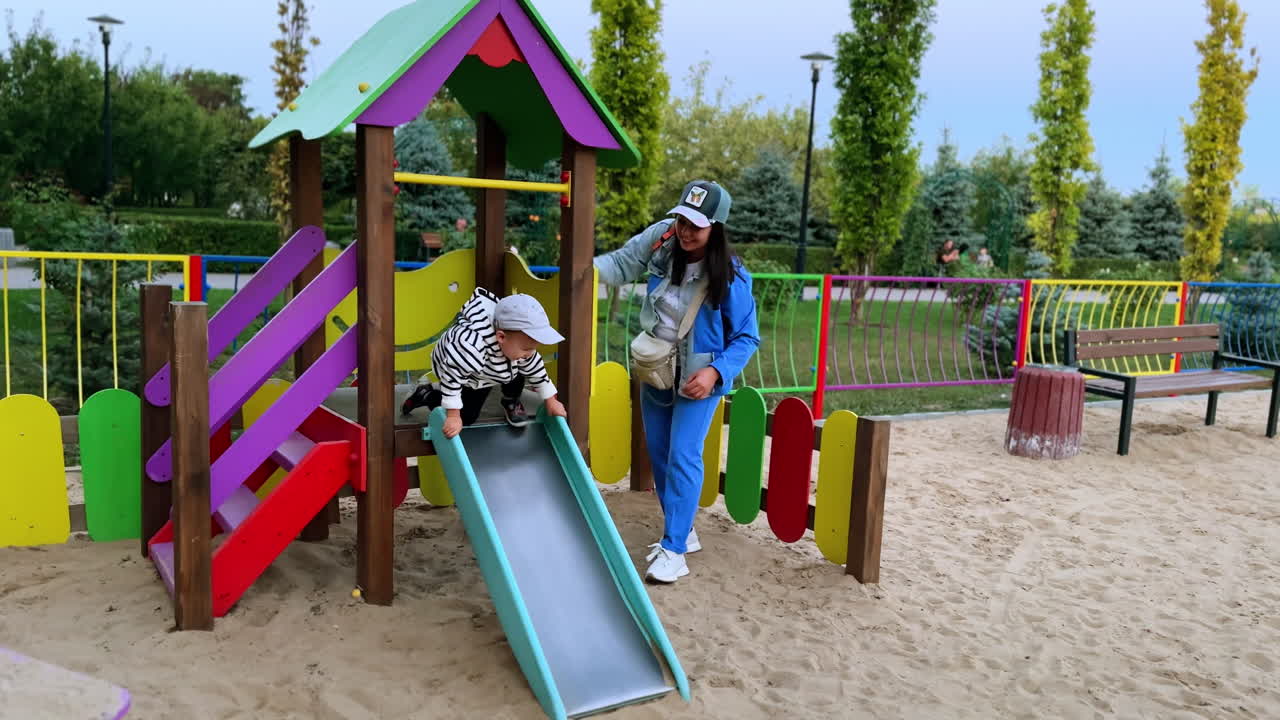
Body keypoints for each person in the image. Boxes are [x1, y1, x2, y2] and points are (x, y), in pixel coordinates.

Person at [594, 180, 760, 584]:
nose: (686, 230)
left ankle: (674, 550)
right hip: (657, 368)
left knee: (684, 454)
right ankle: (683, 530)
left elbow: (747, 336)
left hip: (698, 378)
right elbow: (619, 263)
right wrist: (583, 272)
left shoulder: (731, 275)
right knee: (660, 452)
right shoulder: (663, 242)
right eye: (683, 219)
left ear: (716, 228)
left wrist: (716, 372)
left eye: (697, 225)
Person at [401, 290, 567, 438]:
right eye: (526, 348)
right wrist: (453, 415)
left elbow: (536, 369)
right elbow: (452, 377)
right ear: (501, 337)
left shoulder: (518, 346)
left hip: (494, 366)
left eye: (533, 348)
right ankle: (426, 395)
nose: (530, 353)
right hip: (465, 372)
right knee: (468, 416)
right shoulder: (471, 348)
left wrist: (551, 400)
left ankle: (511, 400)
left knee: (520, 366)